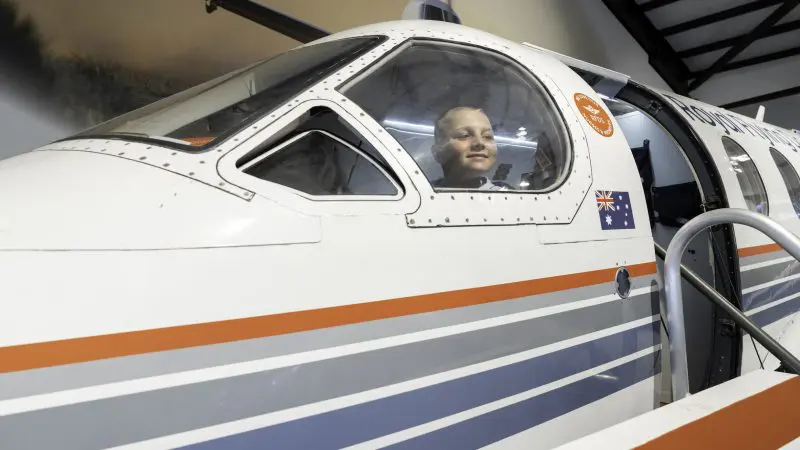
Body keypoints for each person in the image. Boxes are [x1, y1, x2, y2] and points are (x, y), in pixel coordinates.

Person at [431, 106, 508, 190]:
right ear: (437, 152)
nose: (480, 143)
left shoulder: (509, 199)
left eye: (487, 136)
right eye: (464, 135)